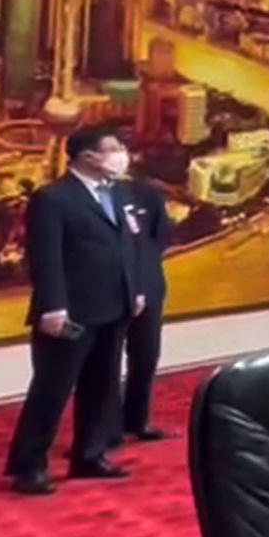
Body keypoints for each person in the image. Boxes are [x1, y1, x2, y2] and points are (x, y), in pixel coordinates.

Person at [4, 123, 147, 495]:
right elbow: (45, 258)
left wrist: (135, 290)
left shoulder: (117, 192)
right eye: (113, 148)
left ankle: (89, 455)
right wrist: (53, 306)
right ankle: (29, 466)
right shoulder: (53, 199)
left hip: (114, 306)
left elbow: (127, 246)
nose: (122, 155)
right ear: (88, 156)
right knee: (52, 389)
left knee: (101, 385)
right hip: (70, 312)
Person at [116, 171, 174, 445]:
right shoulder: (91, 197)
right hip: (108, 288)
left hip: (148, 282)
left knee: (146, 356)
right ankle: (101, 428)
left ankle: (136, 420)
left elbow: (160, 238)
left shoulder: (147, 193)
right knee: (103, 363)